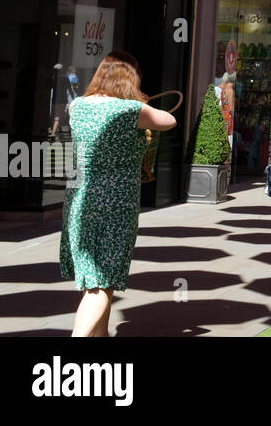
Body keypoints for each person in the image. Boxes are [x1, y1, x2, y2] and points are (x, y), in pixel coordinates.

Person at [60, 51, 177, 337]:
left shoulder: (77, 105)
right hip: (115, 203)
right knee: (101, 283)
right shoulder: (130, 111)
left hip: (78, 200)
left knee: (96, 279)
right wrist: (139, 104)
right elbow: (168, 121)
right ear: (130, 80)